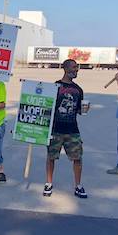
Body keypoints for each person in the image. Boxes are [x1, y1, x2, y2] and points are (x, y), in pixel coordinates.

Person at [44, 59, 89, 198]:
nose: (76, 70)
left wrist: (85, 109)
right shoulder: (55, 87)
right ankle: (48, 183)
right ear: (65, 68)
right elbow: (48, 107)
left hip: (72, 130)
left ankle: (78, 186)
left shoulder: (78, 90)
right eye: (74, 67)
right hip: (55, 129)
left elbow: (79, 111)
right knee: (51, 157)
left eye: (77, 68)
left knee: (78, 158)